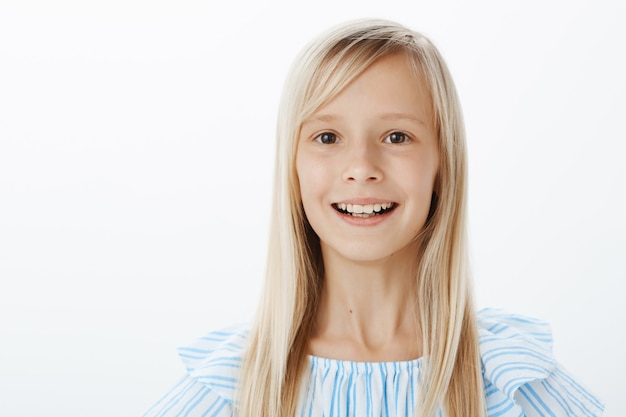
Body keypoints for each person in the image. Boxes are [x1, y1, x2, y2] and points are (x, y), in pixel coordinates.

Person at [143, 19, 604, 417]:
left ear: (442, 164)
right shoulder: (230, 390)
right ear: (293, 166)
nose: (361, 166)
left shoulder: (511, 383)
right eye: (327, 137)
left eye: (397, 136)